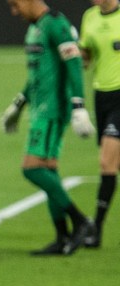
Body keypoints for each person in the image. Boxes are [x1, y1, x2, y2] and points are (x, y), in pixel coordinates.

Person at [2, 0, 97, 255]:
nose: (14, 12)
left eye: (15, 5)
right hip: (39, 109)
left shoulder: (56, 25)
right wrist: (18, 104)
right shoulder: (35, 28)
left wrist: (79, 107)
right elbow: (37, 74)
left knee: (32, 169)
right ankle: (62, 236)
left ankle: (80, 221)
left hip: (53, 111)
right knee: (48, 170)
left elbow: (74, 64)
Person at [79, 0, 120, 246]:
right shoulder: (90, 17)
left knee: (106, 162)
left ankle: (96, 229)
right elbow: (88, 56)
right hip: (101, 95)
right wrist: (78, 56)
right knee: (111, 160)